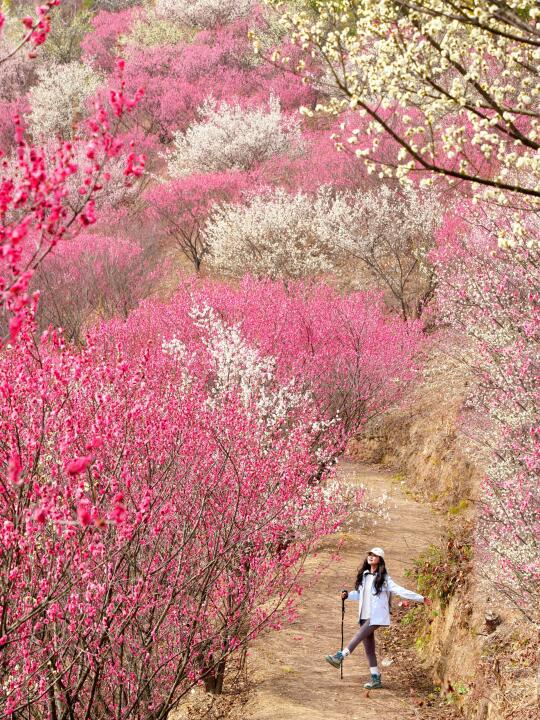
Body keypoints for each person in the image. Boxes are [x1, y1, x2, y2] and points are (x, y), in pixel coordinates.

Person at [324, 547, 430, 689]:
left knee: (358, 636)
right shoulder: (365, 575)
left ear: (380, 560)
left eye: (375, 555)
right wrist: (348, 595)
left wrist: (421, 598)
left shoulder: (385, 579)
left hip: (376, 617)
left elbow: (400, 590)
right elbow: (359, 594)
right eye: (370, 554)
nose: (371, 557)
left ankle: (340, 656)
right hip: (364, 615)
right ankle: (375, 679)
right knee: (369, 649)